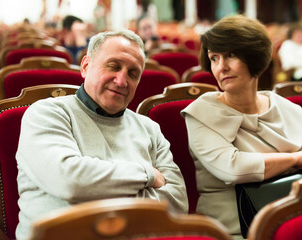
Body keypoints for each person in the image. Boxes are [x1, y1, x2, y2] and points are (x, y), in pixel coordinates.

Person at [15, 30, 188, 240]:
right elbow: (71, 182)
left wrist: (94, 189)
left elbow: (178, 204)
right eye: (113, 66)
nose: (122, 80)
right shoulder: (47, 113)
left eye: (133, 73)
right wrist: (147, 175)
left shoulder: (149, 127)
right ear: (86, 66)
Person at [181, 15, 302, 239]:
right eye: (214, 58)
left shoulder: (288, 110)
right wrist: (294, 159)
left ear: (255, 56)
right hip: (229, 228)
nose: (221, 67)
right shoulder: (200, 112)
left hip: (288, 221)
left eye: (231, 55)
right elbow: (232, 168)